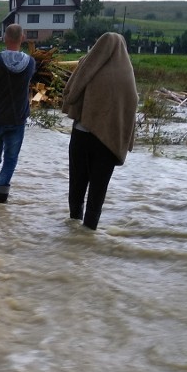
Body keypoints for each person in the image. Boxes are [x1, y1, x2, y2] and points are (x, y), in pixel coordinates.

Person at [61, 32, 138, 230]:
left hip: (82, 136)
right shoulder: (126, 73)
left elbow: (71, 93)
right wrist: (126, 141)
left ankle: (73, 225)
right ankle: (90, 230)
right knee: (98, 189)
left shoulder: (88, 66)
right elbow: (130, 108)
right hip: (108, 142)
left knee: (77, 185)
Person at [0, 23, 36, 203]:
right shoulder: (30, 63)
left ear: (5, 38)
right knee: (10, 159)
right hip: (17, 119)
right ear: (22, 38)